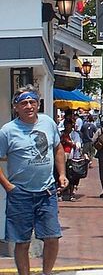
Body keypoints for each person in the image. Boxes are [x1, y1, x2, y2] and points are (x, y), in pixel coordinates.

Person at [0, 86, 68, 275]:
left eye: (32, 102)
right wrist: (8, 187)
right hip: (20, 194)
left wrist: (61, 174)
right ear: (16, 107)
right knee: (22, 242)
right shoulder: (7, 131)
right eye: (23, 103)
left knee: (52, 237)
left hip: (47, 192)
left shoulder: (48, 123)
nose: (29, 106)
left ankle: (47, 272)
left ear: (38, 104)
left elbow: (58, 148)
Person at [59, 118, 84, 202]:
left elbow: (78, 145)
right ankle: (61, 193)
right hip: (62, 157)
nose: (67, 127)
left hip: (72, 157)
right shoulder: (61, 134)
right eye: (66, 125)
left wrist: (70, 142)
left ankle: (71, 193)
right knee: (62, 174)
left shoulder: (75, 134)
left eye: (69, 125)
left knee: (72, 176)